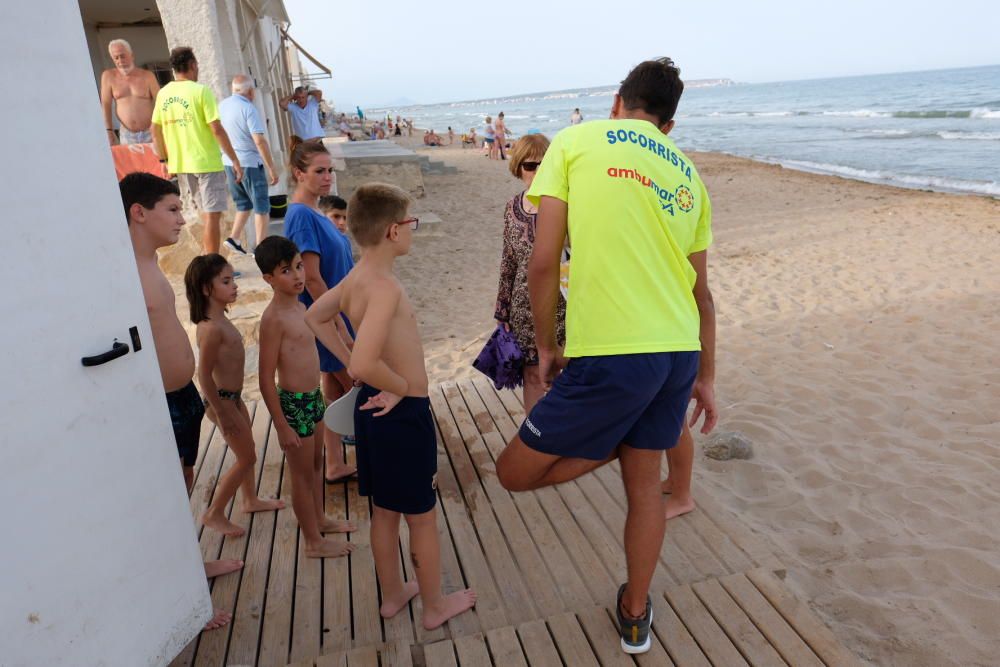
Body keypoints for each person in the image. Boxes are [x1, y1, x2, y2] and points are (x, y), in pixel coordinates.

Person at [493, 58, 717, 655]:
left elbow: (544, 260)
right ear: (668, 124)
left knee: (512, 472)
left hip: (616, 351)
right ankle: (636, 613)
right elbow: (702, 293)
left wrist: (545, 348)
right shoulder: (688, 174)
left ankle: (618, 439)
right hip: (677, 352)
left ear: (618, 100)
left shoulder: (575, 141)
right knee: (645, 487)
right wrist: (708, 377)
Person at [305, 182, 478, 630]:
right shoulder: (384, 288)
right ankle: (435, 606)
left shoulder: (355, 278)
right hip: (400, 414)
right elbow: (365, 359)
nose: (412, 230)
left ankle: (393, 593)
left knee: (384, 512)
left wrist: (355, 367)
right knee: (421, 517)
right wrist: (399, 383)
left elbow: (315, 316)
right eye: (410, 223)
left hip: (371, 411)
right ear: (391, 232)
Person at [120, 172, 243, 631]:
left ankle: (188, 569)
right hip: (158, 404)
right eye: (172, 209)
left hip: (182, 396)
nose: (182, 218)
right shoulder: (122, 269)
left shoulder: (148, 259)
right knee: (165, 498)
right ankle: (177, 597)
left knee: (183, 489)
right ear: (139, 212)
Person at [256, 236, 358, 557]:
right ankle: (312, 542)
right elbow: (264, 378)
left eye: (299, 266)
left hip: (313, 397)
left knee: (316, 466)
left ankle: (320, 520)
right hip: (293, 406)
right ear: (268, 279)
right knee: (300, 476)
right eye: (287, 271)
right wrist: (283, 426)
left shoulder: (303, 307)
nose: (298, 276)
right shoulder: (273, 320)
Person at [184, 253, 285, 536]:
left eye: (232, 280)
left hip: (233, 397)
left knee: (248, 447)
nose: (234, 286)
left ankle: (250, 499)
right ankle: (214, 513)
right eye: (226, 282)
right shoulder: (211, 329)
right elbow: (203, 375)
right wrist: (223, 412)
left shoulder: (219, 319)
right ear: (206, 288)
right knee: (247, 458)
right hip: (222, 401)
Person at [282, 138, 357, 486]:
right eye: (319, 171)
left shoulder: (313, 210)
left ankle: (335, 464)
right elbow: (311, 278)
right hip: (326, 319)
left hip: (334, 315)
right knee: (364, 388)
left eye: (330, 170)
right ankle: (380, 462)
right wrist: (339, 325)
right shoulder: (300, 215)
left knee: (335, 391)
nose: (327, 177)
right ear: (299, 173)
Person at [494, 135, 566, 415]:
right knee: (533, 377)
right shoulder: (512, 209)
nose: (537, 173)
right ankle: (535, 437)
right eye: (530, 166)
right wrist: (502, 310)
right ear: (518, 167)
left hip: (565, 308)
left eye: (544, 165)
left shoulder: (568, 206)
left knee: (565, 378)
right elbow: (508, 260)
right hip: (524, 308)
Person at [152, 47, 242, 255]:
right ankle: (213, 264)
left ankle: (208, 256)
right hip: (205, 161)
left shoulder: (164, 93)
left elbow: (154, 128)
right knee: (212, 215)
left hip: (181, 164)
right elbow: (216, 129)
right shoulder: (201, 91)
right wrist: (235, 160)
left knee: (205, 213)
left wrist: (164, 160)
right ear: (193, 65)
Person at [218, 75, 279, 254]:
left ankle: (234, 238)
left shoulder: (222, 106)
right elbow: (259, 140)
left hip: (229, 162)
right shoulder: (248, 108)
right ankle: (261, 248)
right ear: (251, 91)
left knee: (243, 204)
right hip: (250, 163)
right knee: (262, 207)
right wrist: (271, 167)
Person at [100, 39, 160, 145]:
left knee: (158, 161)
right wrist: (108, 130)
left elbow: (161, 101)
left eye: (122, 56)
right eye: (116, 58)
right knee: (131, 162)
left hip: (151, 131)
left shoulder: (147, 76)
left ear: (131, 55)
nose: (120, 61)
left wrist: (161, 126)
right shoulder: (108, 76)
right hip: (127, 134)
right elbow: (106, 104)